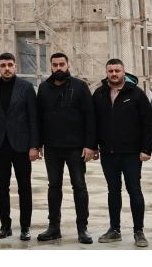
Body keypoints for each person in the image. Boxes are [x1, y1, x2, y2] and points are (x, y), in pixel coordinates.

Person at [92, 58, 152, 247]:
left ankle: (139, 231)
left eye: (117, 70)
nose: (114, 74)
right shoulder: (99, 94)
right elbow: (93, 123)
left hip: (132, 154)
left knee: (134, 190)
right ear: (106, 72)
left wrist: (146, 149)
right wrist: (93, 146)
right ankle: (115, 229)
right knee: (113, 191)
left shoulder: (136, 94)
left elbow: (148, 122)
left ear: (124, 72)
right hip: (108, 153)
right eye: (110, 71)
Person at [35, 53, 95, 244]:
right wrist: (37, 145)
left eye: (62, 64)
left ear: (68, 65)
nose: (59, 67)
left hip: (75, 146)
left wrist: (90, 145)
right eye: (55, 65)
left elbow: (90, 117)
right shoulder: (44, 88)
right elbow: (37, 118)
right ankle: (54, 227)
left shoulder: (80, 86)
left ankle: (82, 228)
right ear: (50, 67)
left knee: (79, 185)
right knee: (54, 186)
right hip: (52, 146)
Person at [0, 52, 39, 241]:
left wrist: (34, 146)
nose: (7, 68)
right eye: (3, 65)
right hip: (0, 146)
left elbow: (33, 118)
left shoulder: (26, 87)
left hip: (21, 145)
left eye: (10, 65)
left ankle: (25, 227)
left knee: (24, 187)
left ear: (16, 67)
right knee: (1, 187)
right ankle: (5, 225)